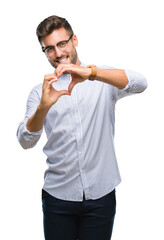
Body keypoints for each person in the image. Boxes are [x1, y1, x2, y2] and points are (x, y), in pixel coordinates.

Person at [17, 15, 147, 240]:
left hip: (101, 197)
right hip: (58, 197)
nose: (57, 54)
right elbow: (26, 141)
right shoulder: (40, 93)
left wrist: (92, 73)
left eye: (62, 44)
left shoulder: (102, 81)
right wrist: (43, 107)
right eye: (49, 48)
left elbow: (140, 83)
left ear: (74, 40)